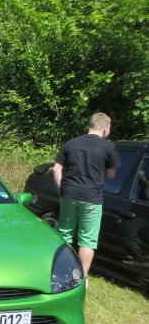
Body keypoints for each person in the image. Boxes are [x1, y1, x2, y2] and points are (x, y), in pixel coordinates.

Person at [52, 112, 121, 280]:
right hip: (92, 198)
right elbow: (112, 174)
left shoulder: (72, 143)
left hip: (69, 194)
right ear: (105, 129)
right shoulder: (108, 147)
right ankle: (80, 278)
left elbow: (56, 168)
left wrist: (62, 189)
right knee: (87, 240)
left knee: (64, 234)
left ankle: (60, 273)